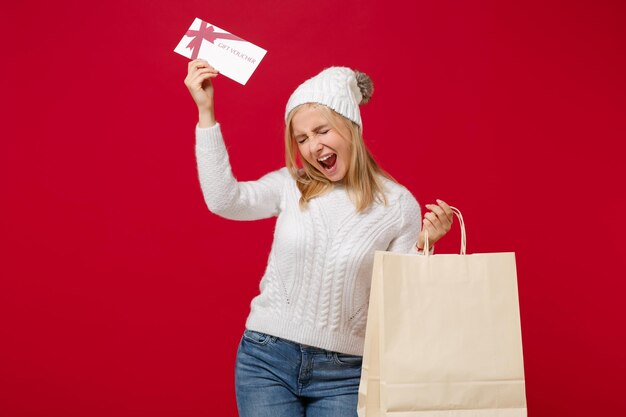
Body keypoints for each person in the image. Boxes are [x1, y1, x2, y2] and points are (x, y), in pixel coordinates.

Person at [184, 60, 454, 417]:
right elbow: (224, 200)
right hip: (266, 360)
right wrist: (206, 113)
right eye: (302, 138)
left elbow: (402, 299)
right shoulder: (290, 184)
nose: (313, 146)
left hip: (345, 373)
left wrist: (427, 243)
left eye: (322, 130)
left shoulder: (398, 205)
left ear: (350, 126)